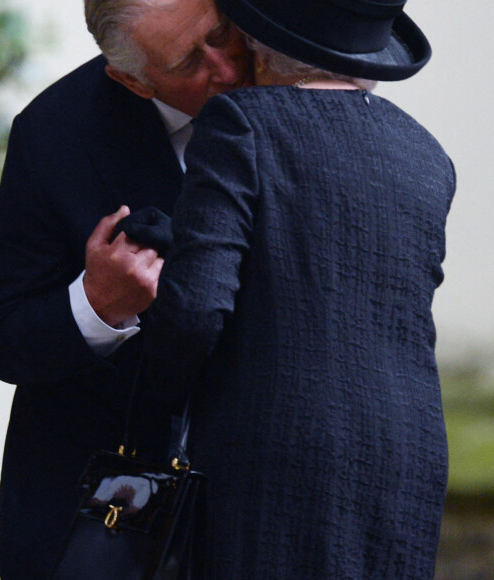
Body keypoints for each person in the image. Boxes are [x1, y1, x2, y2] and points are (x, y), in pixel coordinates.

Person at [142, 0, 456, 577]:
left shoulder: (243, 121)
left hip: (278, 454)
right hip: (409, 455)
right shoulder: (428, 155)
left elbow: (195, 311)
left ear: (258, 42)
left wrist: (145, 402)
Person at [0, 0, 252, 577]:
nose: (225, 67)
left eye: (222, 34)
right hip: (106, 517)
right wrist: (96, 307)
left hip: (258, 499)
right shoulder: (54, 133)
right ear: (132, 80)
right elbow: (2, 336)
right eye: (188, 63)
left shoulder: (285, 68)